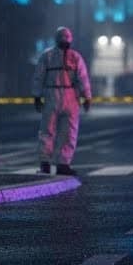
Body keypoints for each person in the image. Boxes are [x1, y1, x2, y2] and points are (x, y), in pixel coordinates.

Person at [34, 26, 92, 176]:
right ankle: (61, 163)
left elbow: (38, 77)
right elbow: (83, 78)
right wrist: (87, 97)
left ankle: (47, 163)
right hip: (69, 95)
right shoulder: (75, 57)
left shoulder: (47, 56)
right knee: (67, 132)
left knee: (49, 130)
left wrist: (37, 96)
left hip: (54, 94)